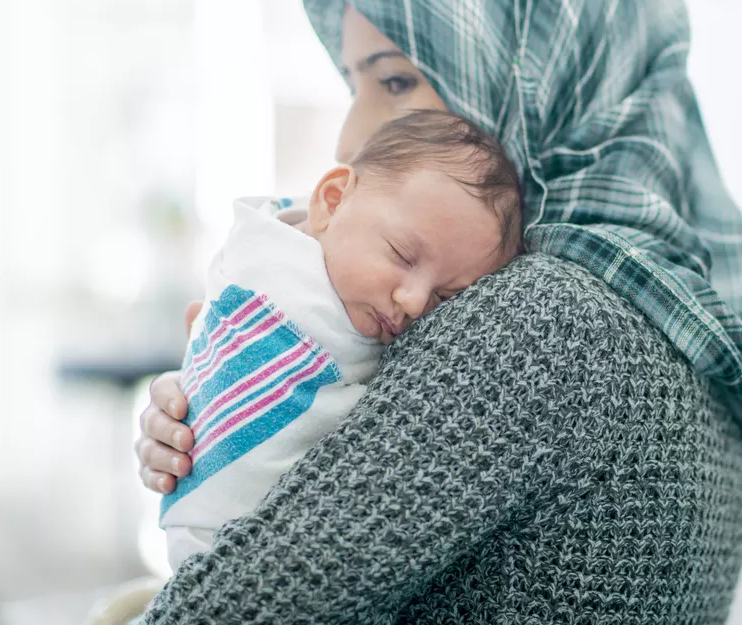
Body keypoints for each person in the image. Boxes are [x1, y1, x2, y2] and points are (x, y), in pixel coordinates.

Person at [133, 0, 742, 623]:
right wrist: (218, 420)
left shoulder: (545, 322)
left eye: (395, 81)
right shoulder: (700, 339)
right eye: (354, 84)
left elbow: (224, 608)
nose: (348, 140)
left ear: (530, 72)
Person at [160, 110, 521, 569]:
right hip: (215, 528)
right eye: (402, 254)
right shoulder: (280, 281)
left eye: (445, 296)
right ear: (331, 201)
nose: (412, 301)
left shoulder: (282, 232)